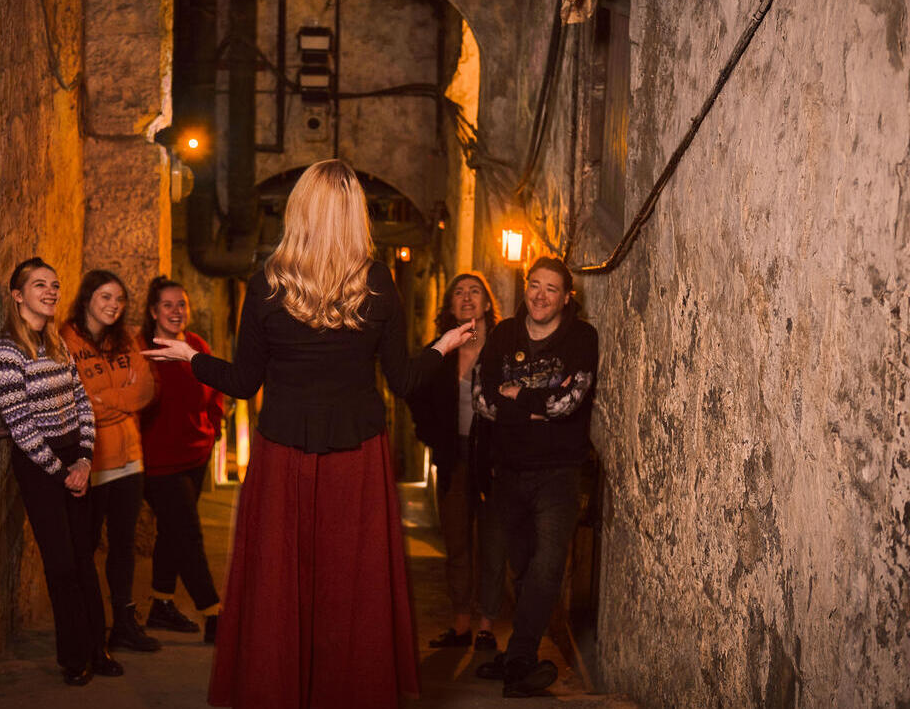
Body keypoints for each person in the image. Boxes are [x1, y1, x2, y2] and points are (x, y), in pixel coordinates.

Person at [144, 159, 476, 709]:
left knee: (280, 579)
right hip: (358, 454)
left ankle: (277, 687)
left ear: (298, 210)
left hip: (282, 453)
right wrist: (443, 345)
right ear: (354, 215)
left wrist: (191, 357)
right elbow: (403, 380)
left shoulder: (266, 286)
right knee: (353, 579)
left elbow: (244, 383)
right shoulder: (377, 282)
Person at [0, 257, 123, 686]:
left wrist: (83, 459)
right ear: (17, 295)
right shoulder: (6, 354)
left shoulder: (57, 344)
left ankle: (98, 649)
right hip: (39, 467)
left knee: (84, 558)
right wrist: (62, 472)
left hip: (74, 459)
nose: (51, 291)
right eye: (39, 285)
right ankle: (74, 658)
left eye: (55, 285)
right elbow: (21, 426)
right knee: (61, 564)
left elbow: (82, 402)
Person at [473, 255, 598, 698]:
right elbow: (482, 399)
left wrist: (516, 396)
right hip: (509, 469)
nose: (540, 296)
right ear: (525, 287)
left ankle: (521, 657)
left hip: (558, 472)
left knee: (547, 565)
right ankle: (516, 658)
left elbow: (568, 404)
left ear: (566, 298)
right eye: (534, 285)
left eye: (551, 289)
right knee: (522, 566)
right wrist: (535, 406)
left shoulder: (581, 337)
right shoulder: (504, 334)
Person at [60, 269, 160, 653]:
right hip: (91, 461)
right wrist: (116, 400)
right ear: (87, 298)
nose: (113, 305)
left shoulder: (126, 341)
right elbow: (77, 400)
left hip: (129, 459)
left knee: (123, 545)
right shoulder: (66, 340)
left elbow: (145, 389)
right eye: (105, 297)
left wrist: (106, 400)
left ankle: (123, 623)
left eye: (119, 299)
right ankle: (87, 626)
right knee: (84, 546)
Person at [408, 271, 505, 652]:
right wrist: (432, 437)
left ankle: (486, 626)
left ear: (486, 303)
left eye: (474, 291)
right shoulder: (440, 351)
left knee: (493, 543)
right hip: (454, 459)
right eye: (459, 293)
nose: (467, 297)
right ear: (450, 305)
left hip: (494, 461)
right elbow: (415, 393)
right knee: (457, 542)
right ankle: (461, 624)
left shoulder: (502, 347)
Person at [135, 276, 225, 644]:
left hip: (196, 455)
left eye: (181, 304)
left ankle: (162, 603)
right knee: (188, 533)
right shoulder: (141, 350)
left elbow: (215, 391)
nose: (176, 311)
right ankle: (214, 613)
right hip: (158, 462)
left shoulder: (196, 346)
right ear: (154, 311)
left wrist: (214, 428)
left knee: (173, 531)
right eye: (168, 305)